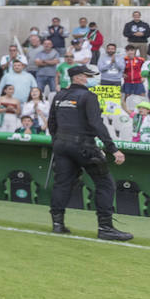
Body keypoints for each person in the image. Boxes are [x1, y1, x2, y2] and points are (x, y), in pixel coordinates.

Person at [47, 64, 132, 241]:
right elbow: (97, 124)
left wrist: (57, 142)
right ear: (78, 77)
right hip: (83, 146)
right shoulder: (88, 96)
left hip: (61, 145)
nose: (89, 79)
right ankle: (105, 228)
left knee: (62, 183)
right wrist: (113, 149)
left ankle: (57, 224)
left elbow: (51, 123)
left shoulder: (59, 96)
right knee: (105, 184)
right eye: (87, 76)